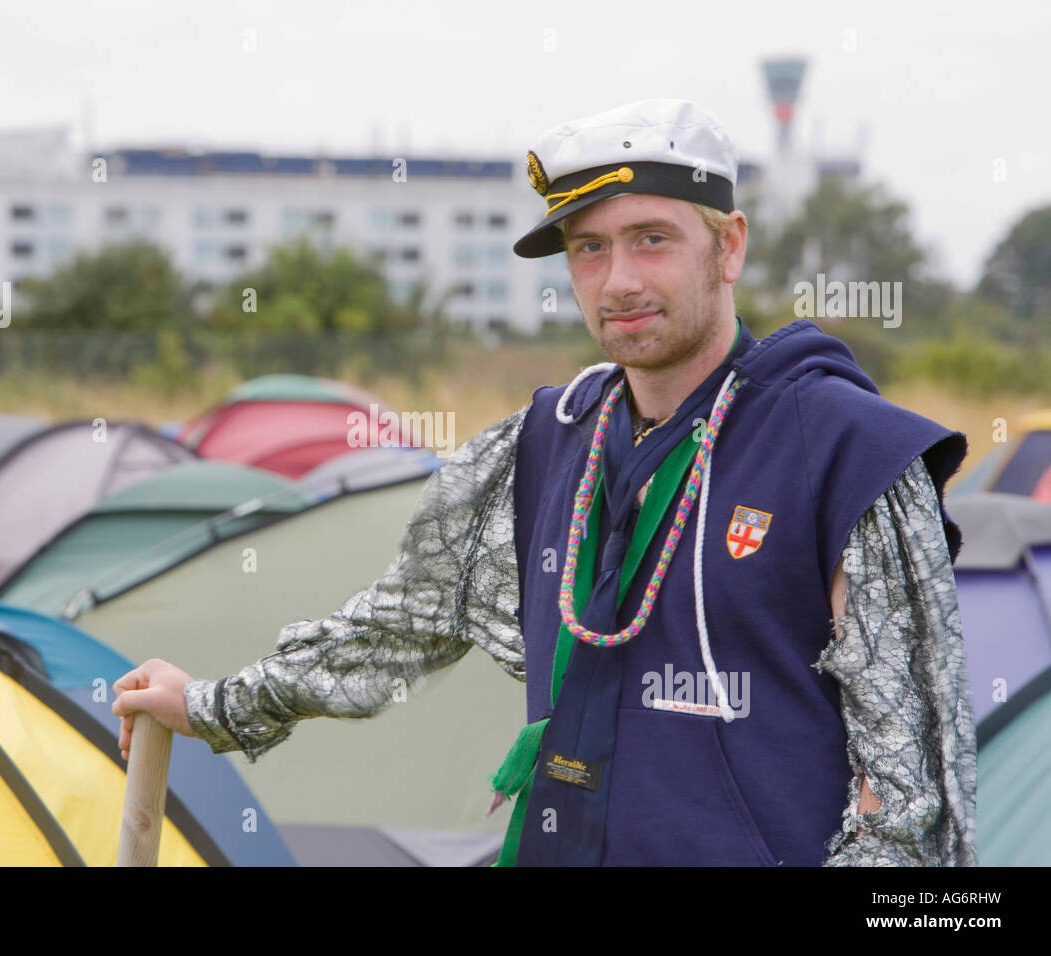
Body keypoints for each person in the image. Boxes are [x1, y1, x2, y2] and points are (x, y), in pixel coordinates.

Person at [113, 98, 978, 866]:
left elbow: (913, 797)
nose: (620, 281)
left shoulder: (847, 453)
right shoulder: (541, 441)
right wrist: (213, 704)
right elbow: (397, 631)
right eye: (589, 249)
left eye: (652, 239)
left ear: (729, 245)